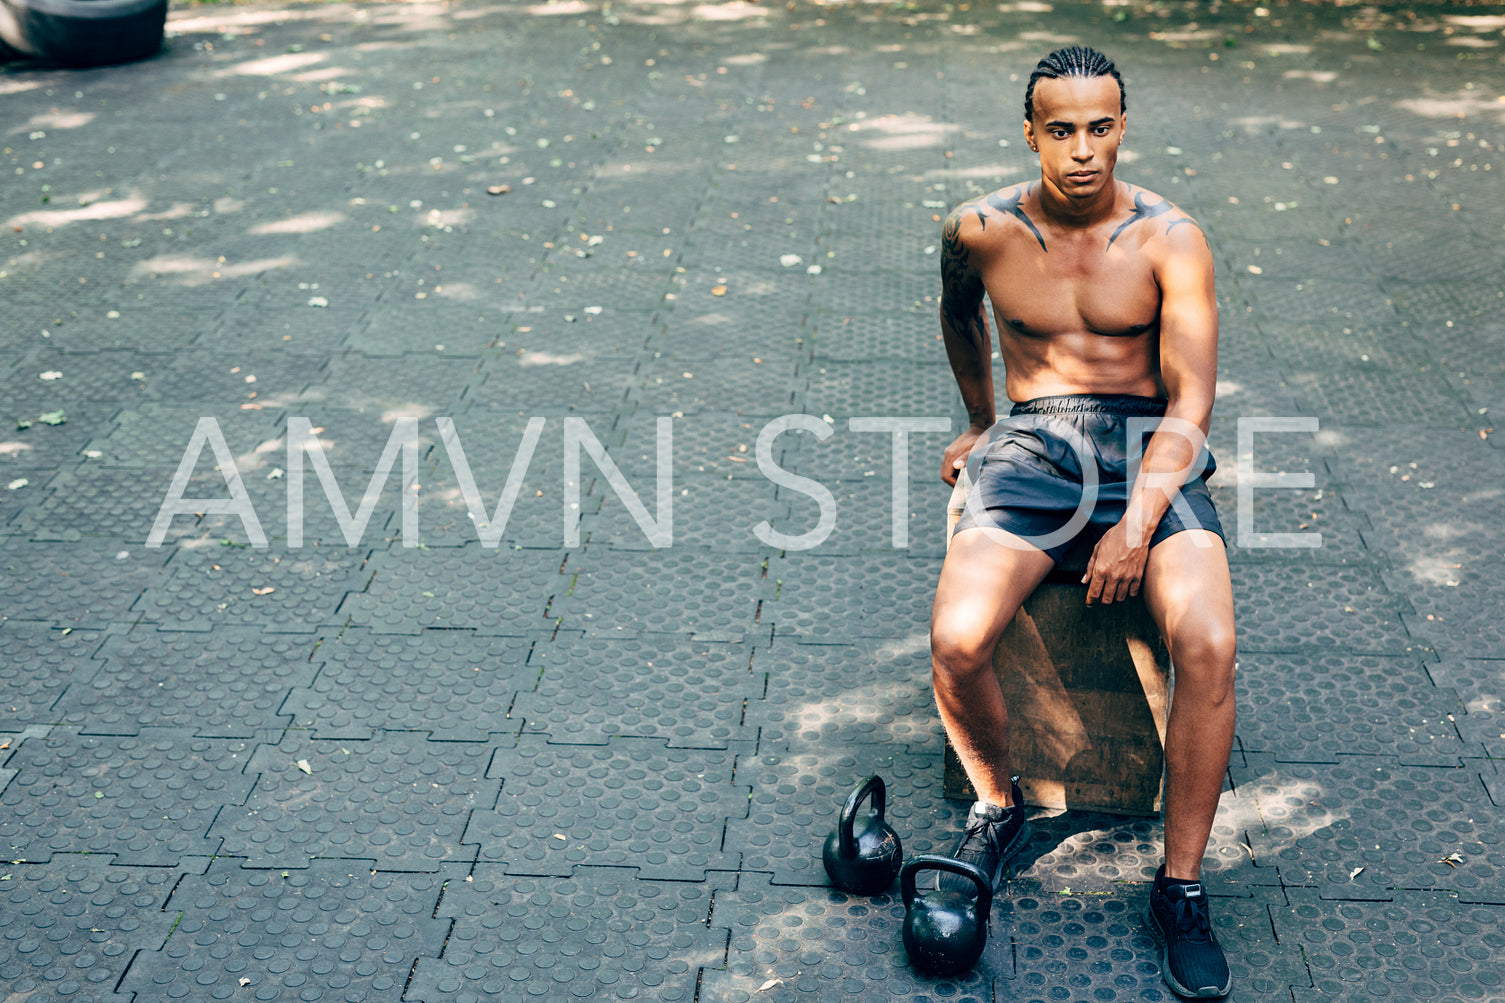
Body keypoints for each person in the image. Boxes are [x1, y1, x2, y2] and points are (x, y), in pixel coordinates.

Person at [930, 45, 1237, 999]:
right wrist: (982, 422)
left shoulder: (1168, 238)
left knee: (1211, 640)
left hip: (1149, 445)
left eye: (1098, 127)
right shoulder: (979, 230)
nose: (1080, 150)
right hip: (1031, 443)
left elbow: (1191, 404)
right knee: (956, 638)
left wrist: (1136, 520)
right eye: (1059, 130)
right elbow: (957, 316)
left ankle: (1178, 887)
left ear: (1120, 127)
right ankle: (997, 807)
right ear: (1029, 133)